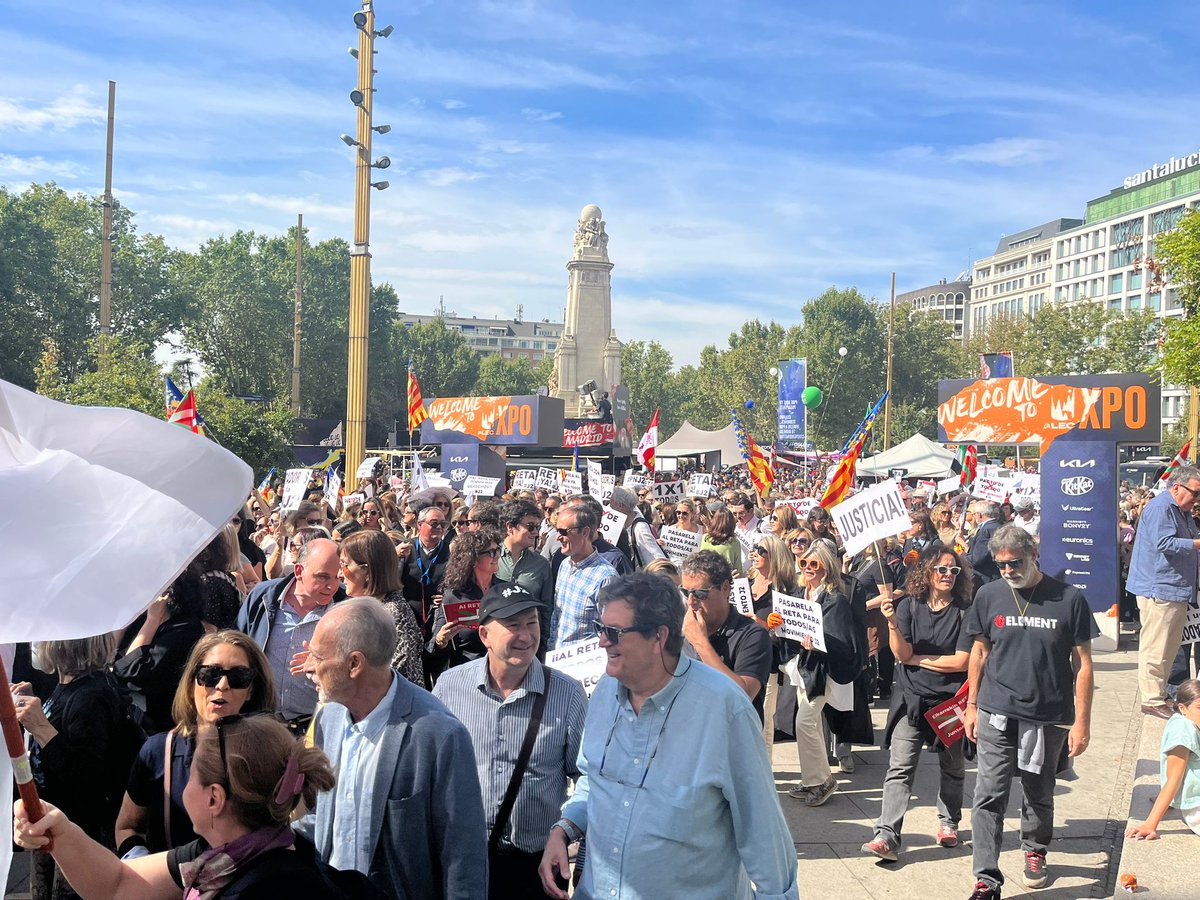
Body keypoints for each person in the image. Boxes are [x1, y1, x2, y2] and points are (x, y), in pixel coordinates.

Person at [537, 574, 798, 900]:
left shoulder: (724, 710)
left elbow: (763, 832)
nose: (602, 641)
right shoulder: (605, 691)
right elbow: (594, 778)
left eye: (614, 632)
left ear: (658, 636)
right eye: (600, 629)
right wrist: (564, 830)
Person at [14, 716, 348, 899]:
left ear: (213, 798)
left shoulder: (271, 889)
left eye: (190, 774)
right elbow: (119, 885)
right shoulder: (227, 853)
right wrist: (60, 829)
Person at [300, 598, 489, 898]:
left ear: (354, 664)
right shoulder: (329, 716)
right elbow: (330, 817)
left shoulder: (439, 735)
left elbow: (463, 855)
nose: (308, 667)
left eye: (318, 656)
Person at [962, 525, 1096, 899]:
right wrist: (972, 706)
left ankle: (1035, 850)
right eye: (1001, 565)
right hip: (996, 710)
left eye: (1014, 563)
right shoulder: (988, 596)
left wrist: (1081, 722)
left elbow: (1083, 663)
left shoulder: (1069, 599)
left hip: (1048, 713)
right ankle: (985, 878)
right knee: (988, 793)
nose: (1007, 571)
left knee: (1039, 791)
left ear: (1033, 554)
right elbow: (979, 652)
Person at [433, 583, 588, 899]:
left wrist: (566, 831)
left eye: (532, 623)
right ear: (485, 636)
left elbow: (587, 778)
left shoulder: (567, 693)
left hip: (537, 867)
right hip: (466, 864)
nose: (527, 635)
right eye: (513, 625)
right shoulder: (450, 687)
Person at [116, 630, 277, 857]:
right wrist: (143, 865)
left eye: (239, 677)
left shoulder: (268, 755)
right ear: (192, 683)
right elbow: (127, 826)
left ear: (251, 690)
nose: (222, 685)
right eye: (210, 675)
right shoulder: (158, 751)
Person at [861, 546, 973, 862]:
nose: (948, 575)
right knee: (900, 767)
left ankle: (949, 821)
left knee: (952, 767)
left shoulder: (965, 610)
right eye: (942, 569)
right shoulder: (909, 606)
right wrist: (893, 623)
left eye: (954, 570)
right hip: (911, 699)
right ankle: (886, 835)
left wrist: (919, 659)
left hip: (950, 704)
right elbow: (900, 654)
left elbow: (961, 661)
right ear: (927, 572)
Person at [13, 635, 127, 900]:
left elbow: (88, 780)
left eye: (42, 638)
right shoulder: (72, 686)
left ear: (64, 645)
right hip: (55, 824)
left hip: (78, 833)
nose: (36, 645)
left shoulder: (91, 697)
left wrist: (41, 727)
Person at [237, 537, 345, 732]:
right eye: (323, 577)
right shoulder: (262, 597)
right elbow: (237, 647)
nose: (332, 586)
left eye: (338, 577)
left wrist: (330, 663)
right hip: (261, 725)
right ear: (299, 571)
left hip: (317, 729)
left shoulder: (347, 608)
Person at [782, 542, 858, 807]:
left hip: (822, 671)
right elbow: (792, 630)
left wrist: (818, 641)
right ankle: (811, 778)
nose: (808, 569)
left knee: (804, 721)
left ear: (826, 566)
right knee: (809, 724)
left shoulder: (835, 599)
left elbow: (842, 641)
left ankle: (823, 780)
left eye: (814, 564)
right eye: (804, 563)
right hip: (804, 667)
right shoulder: (802, 593)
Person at [1126, 465, 1200, 718]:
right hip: (1159, 589)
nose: (1197, 499)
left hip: (1176, 589)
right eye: (1195, 493)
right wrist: (1197, 543)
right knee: (1155, 648)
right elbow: (1165, 543)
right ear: (1177, 487)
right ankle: (1151, 699)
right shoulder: (1160, 508)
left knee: (1169, 648)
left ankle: (1160, 695)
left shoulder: (1182, 510)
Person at [114, 565, 211, 734]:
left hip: (160, 727)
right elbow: (106, 656)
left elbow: (129, 670)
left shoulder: (186, 628)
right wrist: (123, 624)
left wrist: (151, 621)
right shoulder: (141, 620)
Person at [679, 551, 773, 721]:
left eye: (700, 593)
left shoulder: (752, 634)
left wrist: (700, 643)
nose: (691, 601)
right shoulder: (679, 629)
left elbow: (740, 698)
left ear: (725, 588)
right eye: (686, 593)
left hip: (733, 740)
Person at [338, 529, 424, 686]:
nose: (339, 574)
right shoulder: (362, 606)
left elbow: (396, 674)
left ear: (368, 570)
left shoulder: (393, 613)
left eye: (345, 565)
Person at [1126, 678, 1200, 839]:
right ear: (1183, 708)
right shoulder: (1182, 733)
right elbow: (1173, 779)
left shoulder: (1191, 720)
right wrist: (1150, 824)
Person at [428, 529, 507, 676]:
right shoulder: (454, 596)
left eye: (498, 550)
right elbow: (435, 647)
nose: (496, 556)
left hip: (502, 671)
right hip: (467, 674)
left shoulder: (504, 590)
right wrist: (441, 641)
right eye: (490, 552)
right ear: (472, 559)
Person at [549, 504, 618, 649]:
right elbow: (557, 617)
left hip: (585, 667)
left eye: (563, 531)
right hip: (556, 661)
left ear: (585, 532)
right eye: (557, 531)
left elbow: (612, 631)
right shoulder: (564, 565)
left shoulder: (606, 578)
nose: (558, 537)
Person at [497, 499, 554, 651]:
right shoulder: (489, 557)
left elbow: (546, 609)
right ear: (510, 527)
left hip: (527, 644)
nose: (535, 532)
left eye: (537, 527)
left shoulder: (541, 565)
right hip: (495, 643)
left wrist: (544, 648)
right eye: (530, 527)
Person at [399, 504, 453, 646]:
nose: (439, 528)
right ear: (420, 524)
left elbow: (457, 585)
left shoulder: (451, 551)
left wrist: (446, 597)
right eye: (434, 523)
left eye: (443, 524)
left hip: (436, 620)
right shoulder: (407, 548)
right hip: (409, 619)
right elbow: (394, 584)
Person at [964, 500, 1001, 584]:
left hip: (984, 578)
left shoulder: (986, 530)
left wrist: (962, 556)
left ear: (979, 514)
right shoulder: (998, 526)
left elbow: (976, 559)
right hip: (995, 576)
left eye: (973, 514)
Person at [700, 507, 745, 574]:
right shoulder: (734, 542)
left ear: (714, 521)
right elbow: (738, 569)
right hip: (725, 579)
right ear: (732, 523)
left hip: (705, 577)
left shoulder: (704, 538)